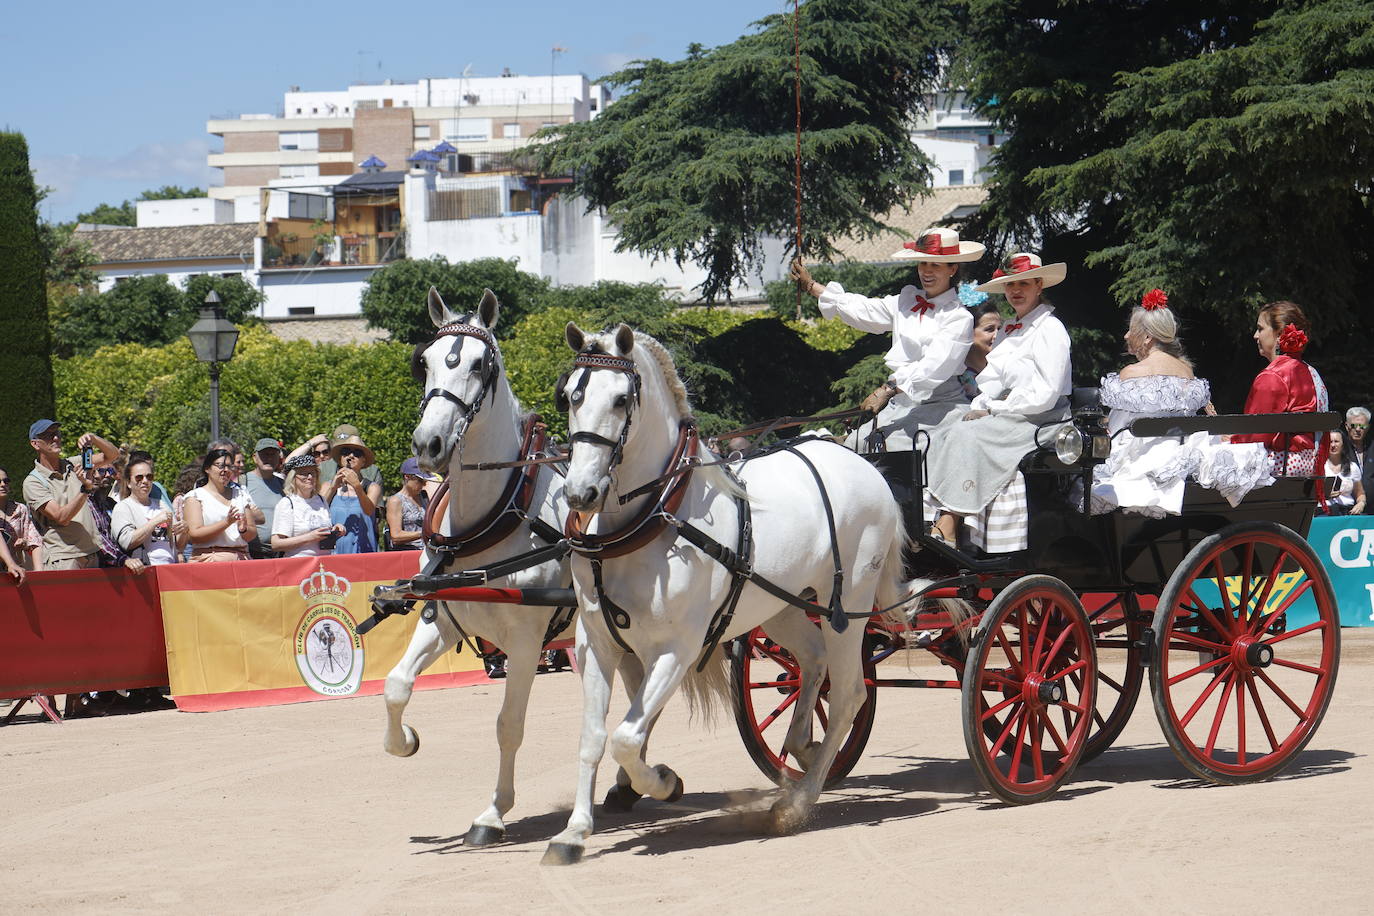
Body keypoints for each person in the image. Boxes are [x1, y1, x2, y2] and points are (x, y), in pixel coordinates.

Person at [790, 227, 985, 450]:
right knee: (857, 442)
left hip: (940, 407)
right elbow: (864, 309)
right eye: (923, 263)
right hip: (901, 404)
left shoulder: (958, 318)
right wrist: (812, 286)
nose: (926, 271)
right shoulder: (906, 301)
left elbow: (933, 368)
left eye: (935, 265)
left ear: (953, 269)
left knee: (896, 448)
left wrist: (888, 389)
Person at [926, 253, 1071, 552]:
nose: (1015, 291)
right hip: (1010, 412)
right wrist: (981, 405)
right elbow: (991, 381)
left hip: (1043, 418)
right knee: (946, 426)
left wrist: (993, 409)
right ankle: (934, 516)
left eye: (1023, 284)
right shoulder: (1008, 329)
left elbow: (1046, 394)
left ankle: (951, 522)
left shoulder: (1050, 329)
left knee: (970, 434)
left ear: (1039, 285)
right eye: (1009, 285)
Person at [1089, 290, 1271, 516]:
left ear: (1147, 337)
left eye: (1131, 330)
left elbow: (1117, 430)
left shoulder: (1132, 373)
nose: (1126, 336)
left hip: (1144, 461)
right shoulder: (1188, 373)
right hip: (1181, 458)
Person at [1231, 301, 1329, 476]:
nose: (1255, 335)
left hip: (1280, 469)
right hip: (1311, 466)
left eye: (1260, 329)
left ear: (1279, 334)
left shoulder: (1273, 376)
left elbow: (1253, 438)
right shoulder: (1310, 372)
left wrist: (1230, 441)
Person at [22, 419, 119, 570]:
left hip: (92, 554)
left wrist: (93, 438)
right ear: (35, 444)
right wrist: (85, 489)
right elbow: (62, 517)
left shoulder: (73, 464)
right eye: (48, 435)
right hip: (64, 559)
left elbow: (113, 455)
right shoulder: (33, 482)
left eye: (57, 434)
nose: (56, 438)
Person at [183, 448, 257, 562]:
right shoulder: (195, 497)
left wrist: (243, 530)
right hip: (210, 559)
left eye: (229, 466)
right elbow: (194, 535)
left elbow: (252, 534)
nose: (226, 470)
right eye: (221, 466)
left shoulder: (240, 494)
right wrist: (226, 522)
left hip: (241, 559)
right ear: (207, 468)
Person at [270, 455, 340, 558]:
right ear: (293, 478)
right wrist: (310, 537)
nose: (310, 477)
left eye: (313, 473)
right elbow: (276, 544)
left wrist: (335, 529)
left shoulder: (321, 500)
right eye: (304, 474)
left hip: (323, 564)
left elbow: (324, 531)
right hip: (299, 565)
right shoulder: (287, 503)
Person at [111, 457, 177, 566]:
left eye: (149, 477)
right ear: (128, 483)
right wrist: (155, 521)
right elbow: (126, 542)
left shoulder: (162, 504)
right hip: (145, 570)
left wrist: (183, 531)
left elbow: (179, 544)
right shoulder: (123, 507)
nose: (145, 481)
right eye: (139, 477)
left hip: (170, 568)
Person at [325, 429, 378, 553]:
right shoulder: (328, 485)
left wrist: (357, 487)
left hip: (363, 551)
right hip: (334, 551)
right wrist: (333, 488)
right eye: (346, 452)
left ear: (364, 460)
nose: (351, 456)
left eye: (357, 453)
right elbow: (317, 510)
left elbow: (369, 510)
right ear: (340, 459)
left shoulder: (371, 487)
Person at [243, 438, 286, 558]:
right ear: (254, 457)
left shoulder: (284, 485)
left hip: (282, 552)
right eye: (264, 454)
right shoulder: (243, 482)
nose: (269, 458)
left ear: (279, 458)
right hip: (254, 553)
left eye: (273, 454)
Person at [0, 465, 43, 570]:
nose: (2, 485)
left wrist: (39, 573)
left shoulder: (20, 509)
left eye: (6, 481)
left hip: (18, 569)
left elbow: (35, 541)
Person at [387, 457, 435, 550]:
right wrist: (423, 533)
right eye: (420, 480)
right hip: (408, 554)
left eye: (425, 481)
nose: (424, 484)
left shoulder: (424, 496)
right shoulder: (395, 501)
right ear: (407, 477)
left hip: (427, 553)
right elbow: (396, 536)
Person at [957, 303, 1003, 398]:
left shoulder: (1004, 367)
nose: (997, 335)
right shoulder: (956, 376)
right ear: (969, 332)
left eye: (1000, 329)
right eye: (989, 329)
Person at [1319, 430, 1365, 516]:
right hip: (1324, 512)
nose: (1333, 445)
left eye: (1336, 441)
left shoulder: (1353, 467)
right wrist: (1324, 495)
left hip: (1347, 512)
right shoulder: (1318, 467)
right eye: (1330, 442)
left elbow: (1360, 494)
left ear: (1343, 444)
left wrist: (1361, 504)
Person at [1347, 407, 1372, 512]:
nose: (1357, 429)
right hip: (1348, 510)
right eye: (1353, 425)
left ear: (1368, 427)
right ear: (1347, 426)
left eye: (1362, 426)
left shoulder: (1372, 447)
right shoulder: (1339, 449)